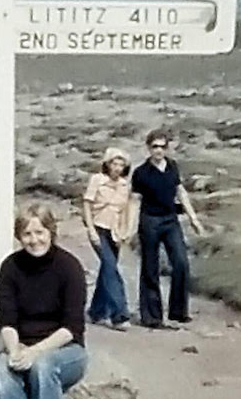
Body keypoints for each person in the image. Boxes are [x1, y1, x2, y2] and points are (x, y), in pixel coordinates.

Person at [0, 204, 88, 399]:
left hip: (66, 350)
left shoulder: (69, 267)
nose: (34, 240)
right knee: (3, 368)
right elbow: (7, 320)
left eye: (39, 232)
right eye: (27, 233)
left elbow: (72, 328)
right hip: (23, 345)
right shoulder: (10, 268)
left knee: (43, 367)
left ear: (51, 231)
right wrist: (14, 351)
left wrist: (34, 352)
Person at [129, 129, 204, 329]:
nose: (159, 150)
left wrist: (193, 218)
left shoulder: (172, 167)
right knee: (150, 268)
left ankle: (178, 311)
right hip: (150, 221)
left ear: (167, 148)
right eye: (155, 147)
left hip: (171, 220)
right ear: (148, 148)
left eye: (162, 147)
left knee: (181, 263)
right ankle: (151, 316)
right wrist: (129, 228)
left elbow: (180, 191)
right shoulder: (141, 173)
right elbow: (135, 201)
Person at [82, 146, 132, 331]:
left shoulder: (125, 185)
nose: (117, 168)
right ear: (107, 164)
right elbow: (87, 204)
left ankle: (96, 311)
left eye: (121, 164)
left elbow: (125, 208)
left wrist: (125, 231)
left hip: (114, 232)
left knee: (106, 270)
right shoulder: (97, 180)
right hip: (98, 227)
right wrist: (90, 229)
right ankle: (120, 315)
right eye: (114, 163)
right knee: (111, 269)